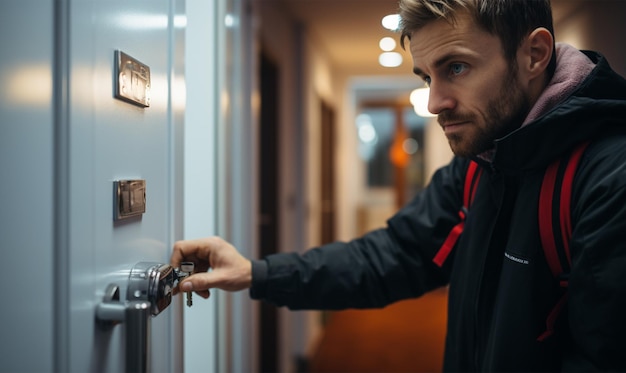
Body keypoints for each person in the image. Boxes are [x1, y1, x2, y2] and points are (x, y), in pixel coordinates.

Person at [171, 0, 626, 370]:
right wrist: (257, 272)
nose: (434, 102)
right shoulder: (481, 164)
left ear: (534, 54)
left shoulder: (608, 178)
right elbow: (394, 254)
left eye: (457, 68)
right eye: (427, 76)